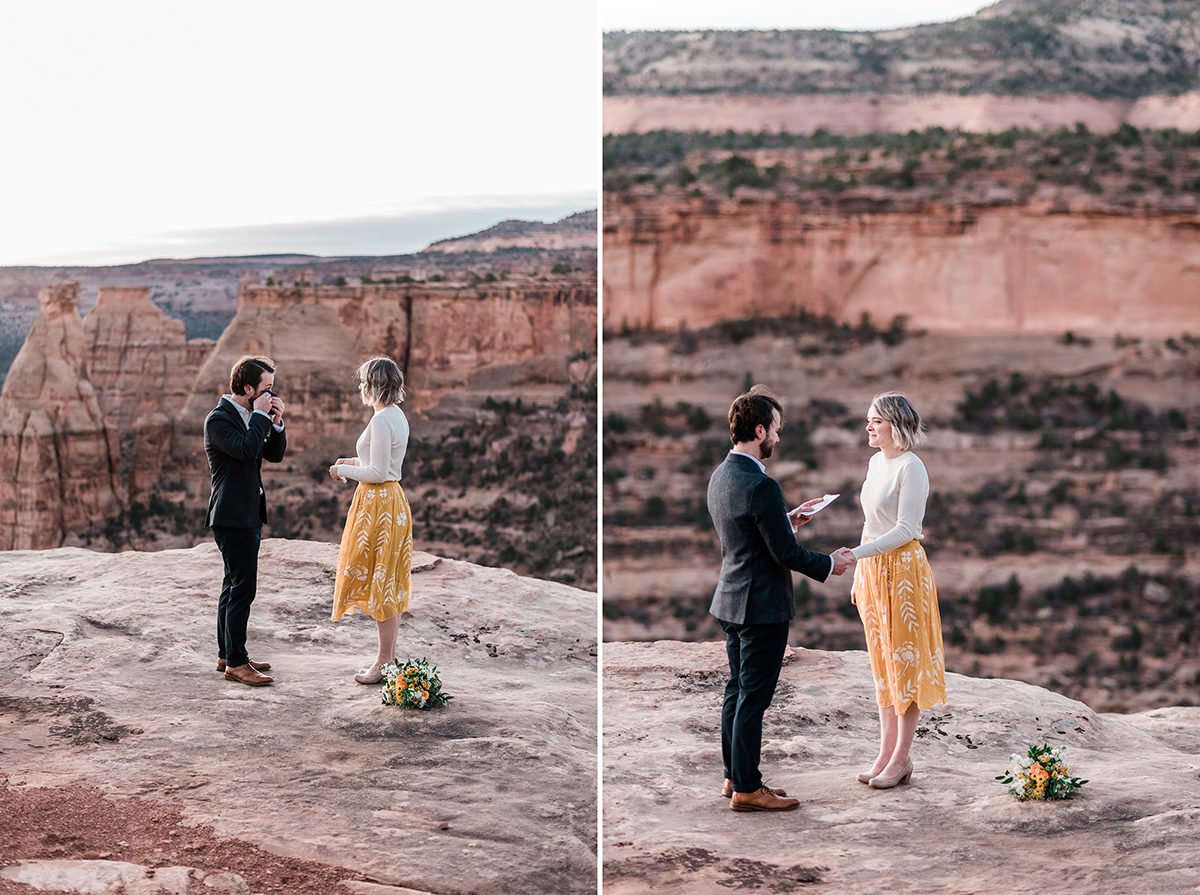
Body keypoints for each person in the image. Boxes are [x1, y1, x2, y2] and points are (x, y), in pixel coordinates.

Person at [708, 385, 855, 812]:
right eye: (775, 429)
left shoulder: (722, 475)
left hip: (731, 599)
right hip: (762, 606)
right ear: (759, 430)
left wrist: (788, 519)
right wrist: (830, 564)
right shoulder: (761, 485)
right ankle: (749, 790)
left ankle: (734, 776)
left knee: (736, 691)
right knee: (754, 697)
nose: (778, 438)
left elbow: (749, 535)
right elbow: (784, 555)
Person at [849, 392, 947, 789]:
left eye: (876, 420)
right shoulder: (876, 463)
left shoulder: (912, 467)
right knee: (882, 664)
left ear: (896, 424)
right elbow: (872, 523)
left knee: (904, 664)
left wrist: (854, 555)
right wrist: (860, 572)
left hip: (904, 571)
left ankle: (902, 758)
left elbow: (906, 529)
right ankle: (884, 752)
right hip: (874, 570)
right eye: (869, 420)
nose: (869, 427)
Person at [328, 356, 413, 684]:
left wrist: (342, 470)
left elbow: (378, 472)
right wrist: (352, 460)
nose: (361, 387)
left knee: (380, 580)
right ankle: (388, 660)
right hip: (391, 500)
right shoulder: (396, 415)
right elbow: (384, 462)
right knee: (385, 579)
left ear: (374, 385)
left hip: (377, 504)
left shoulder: (380, 420)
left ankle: (381, 663)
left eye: (364, 382)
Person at [204, 355, 287, 687]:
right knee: (243, 589)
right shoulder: (219, 419)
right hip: (231, 515)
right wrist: (261, 417)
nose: (272, 393)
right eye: (267, 388)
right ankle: (237, 664)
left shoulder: (252, 416)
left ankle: (228, 653)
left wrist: (276, 422)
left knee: (232, 586)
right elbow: (246, 449)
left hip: (246, 512)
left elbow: (273, 454)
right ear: (248, 388)